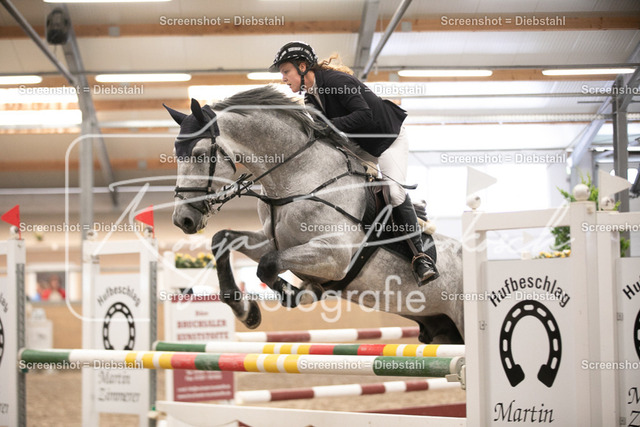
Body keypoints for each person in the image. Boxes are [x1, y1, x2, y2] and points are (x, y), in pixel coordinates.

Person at [269, 41, 438, 286]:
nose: (283, 78)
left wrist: (328, 126)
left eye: (286, 71)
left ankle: (420, 257)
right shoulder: (310, 98)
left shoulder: (336, 81)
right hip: (359, 145)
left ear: (302, 67)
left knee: (393, 192)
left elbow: (364, 114)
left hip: (387, 140)